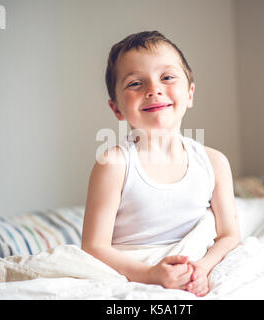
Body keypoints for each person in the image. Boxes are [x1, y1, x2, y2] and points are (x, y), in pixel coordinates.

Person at [81, 31, 240, 297]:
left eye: (167, 77)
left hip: (193, 267)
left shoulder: (214, 162)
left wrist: (202, 268)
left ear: (189, 94)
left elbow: (229, 236)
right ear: (117, 109)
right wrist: (151, 274)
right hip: (136, 270)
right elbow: (94, 247)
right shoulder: (114, 164)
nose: (153, 89)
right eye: (135, 83)